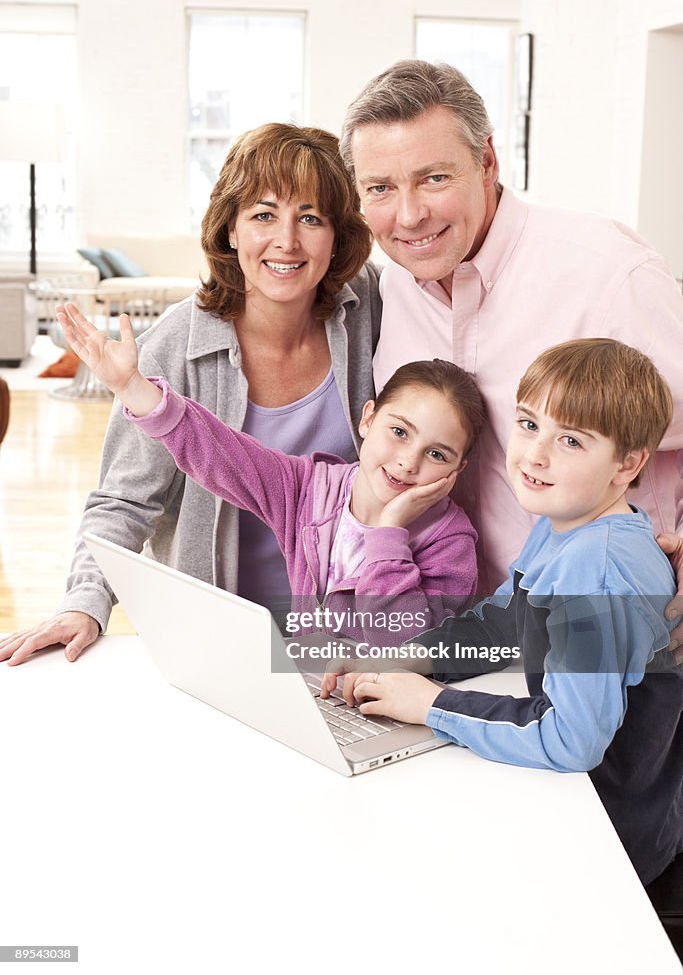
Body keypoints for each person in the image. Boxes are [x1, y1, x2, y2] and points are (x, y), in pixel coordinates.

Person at [0, 123, 381, 664]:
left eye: (311, 218)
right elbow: (124, 502)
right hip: (218, 642)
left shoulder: (369, 313)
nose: (287, 241)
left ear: (338, 235)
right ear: (230, 228)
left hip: (343, 642)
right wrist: (84, 602)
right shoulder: (172, 347)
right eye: (263, 214)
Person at [339, 59, 683, 651]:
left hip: (607, 641)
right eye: (380, 189)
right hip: (466, 637)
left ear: (488, 162)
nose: (410, 215)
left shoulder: (608, 272)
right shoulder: (393, 286)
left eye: (434, 178)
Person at [324, 338, 683, 887]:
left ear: (627, 464)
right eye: (529, 424)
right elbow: (503, 622)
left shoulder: (596, 568)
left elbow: (571, 739)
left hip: (600, 838)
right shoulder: (569, 525)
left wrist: (433, 705)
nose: (535, 455)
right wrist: (406, 661)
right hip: (565, 804)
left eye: (570, 440)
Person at [57, 299, 484, 644]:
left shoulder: (450, 541)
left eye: (437, 455)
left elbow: (405, 642)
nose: (409, 462)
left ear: (459, 468)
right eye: (399, 432)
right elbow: (220, 453)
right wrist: (134, 387)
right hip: (308, 691)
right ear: (367, 418)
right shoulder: (307, 488)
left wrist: (389, 533)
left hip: (388, 714)